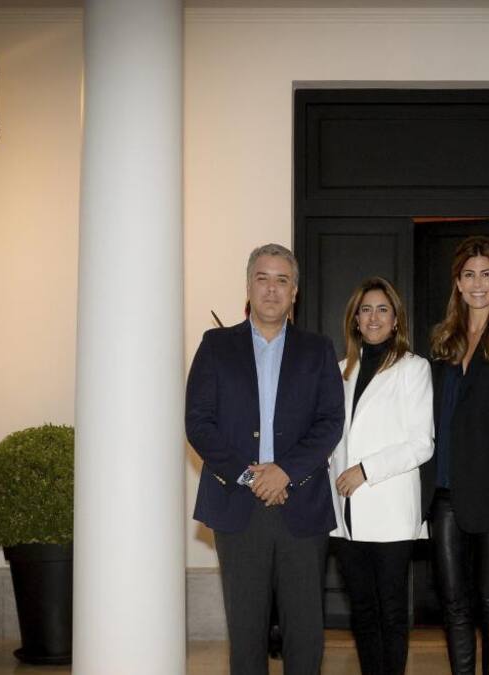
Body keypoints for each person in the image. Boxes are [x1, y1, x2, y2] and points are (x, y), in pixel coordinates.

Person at [185, 243, 345, 675]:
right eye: (263, 279)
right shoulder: (216, 346)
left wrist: (285, 472)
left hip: (302, 505)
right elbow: (198, 422)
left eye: (282, 280)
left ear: (294, 292)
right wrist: (248, 476)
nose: (272, 289)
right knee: (245, 633)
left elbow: (331, 421)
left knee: (305, 634)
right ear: (248, 287)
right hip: (237, 507)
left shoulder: (318, 349)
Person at [420, 236, 489, 675]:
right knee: (453, 603)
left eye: (486, 274)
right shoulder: (442, 341)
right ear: (458, 283)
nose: (478, 283)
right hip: (444, 491)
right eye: (469, 275)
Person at [329, 276, 434, 675]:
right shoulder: (340, 370)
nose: (373, 318)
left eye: (382, 310)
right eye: (366, 310)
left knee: (390, 611)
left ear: (396, 320)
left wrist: (365, 470)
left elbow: (421, 443)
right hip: (345, 513)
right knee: (362, 611)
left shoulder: (414, 368)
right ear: (355, 319)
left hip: (390, 511)